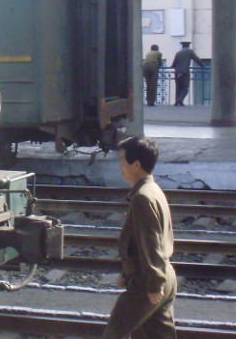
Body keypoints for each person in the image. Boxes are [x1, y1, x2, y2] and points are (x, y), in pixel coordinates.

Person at [103, 136, 176, 339]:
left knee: (114, 334)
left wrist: (154, 284)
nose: (120, 166)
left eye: (122, 161)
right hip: (164, 275)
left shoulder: (142, 197)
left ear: (135, 165)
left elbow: (150, 243)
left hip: (148, 281)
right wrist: (128, 274)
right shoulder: (154, 190)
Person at [170, 41, 204, 107]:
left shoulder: (178, 53)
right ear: (188, 46)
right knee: (185, 87)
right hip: (184, 72)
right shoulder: (189, 51)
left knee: (178, 87)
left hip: (177, 72)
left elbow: (173, 64)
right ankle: (180, 100)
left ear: (182, 46)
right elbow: (196, 59)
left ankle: (177, 102)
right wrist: (202, 65)